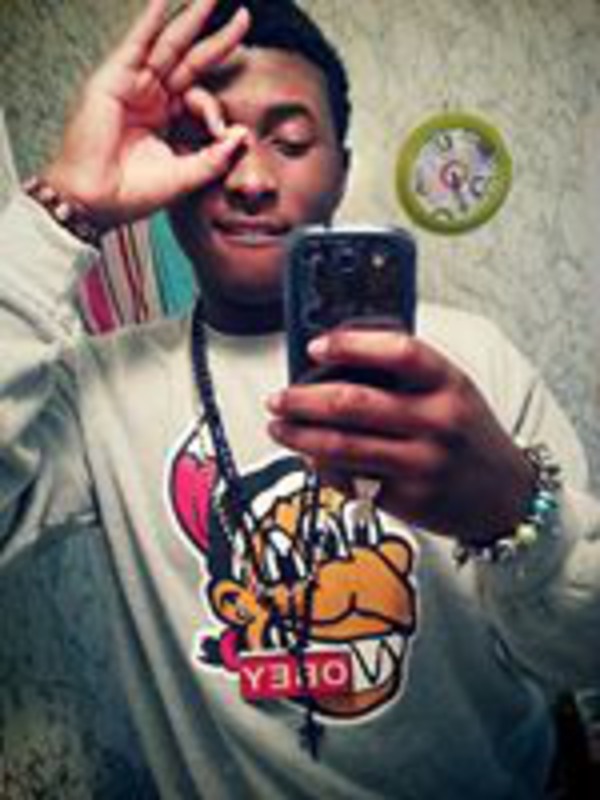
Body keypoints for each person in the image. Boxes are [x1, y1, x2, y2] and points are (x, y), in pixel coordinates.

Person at [0, 0, 598, 797]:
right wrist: (63, 206)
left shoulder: (471, 362)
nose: (250, 180)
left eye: (289, 144)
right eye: (206, 144)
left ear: (340, 171)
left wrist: (513, 511)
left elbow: (582, 657)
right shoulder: (96, 391)